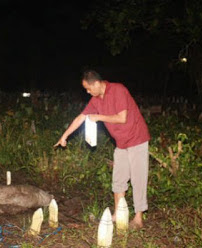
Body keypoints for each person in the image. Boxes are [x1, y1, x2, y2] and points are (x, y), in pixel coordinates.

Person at [54, 69, 150, 229]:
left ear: (97, 83)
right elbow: (81, 117)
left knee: (138, 179)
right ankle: (118, 214)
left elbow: (122, 118)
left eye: (88, 88)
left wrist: (98, 117)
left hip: (137, 139)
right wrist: (64, 136)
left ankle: (138, 219)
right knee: (118, 179)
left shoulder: (118, 90)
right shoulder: (96, 99)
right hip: (121, 143)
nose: (87, 91)